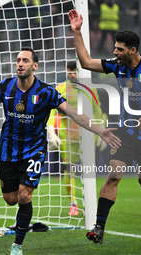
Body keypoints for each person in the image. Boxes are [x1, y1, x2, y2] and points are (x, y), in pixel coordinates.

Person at [0, 47, 121, 255]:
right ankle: (22, 219)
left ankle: (17, 245)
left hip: (34, 151)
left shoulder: (46, 92)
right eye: (18, 60)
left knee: (25, 196)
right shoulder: (6, 86)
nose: (20, 64)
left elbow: (74, 114)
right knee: (11, 199)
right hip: (8, 150)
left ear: (34, 65)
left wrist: (100, 131)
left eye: (25, 60)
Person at [68, 9, 141, 245]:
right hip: (125, 132)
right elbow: (86, 62)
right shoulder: (116, 65)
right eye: (115, 48)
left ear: (133, 50)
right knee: (114, 175)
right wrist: (77, 32)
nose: (114, 52)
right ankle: (99, 228)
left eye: (119, 49)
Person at [47, 61, 107, 216]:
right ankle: (73, 203)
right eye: (70, 72)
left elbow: (97, 111)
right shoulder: (61, 88)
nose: (72, 75)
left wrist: (102, 130)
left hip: (88, 134)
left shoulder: (91, 88)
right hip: (67, 135)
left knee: (88, 170)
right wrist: (51, 130)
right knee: (70, 169)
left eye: (75, 72)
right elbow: (53, 112)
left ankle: (89, 203)